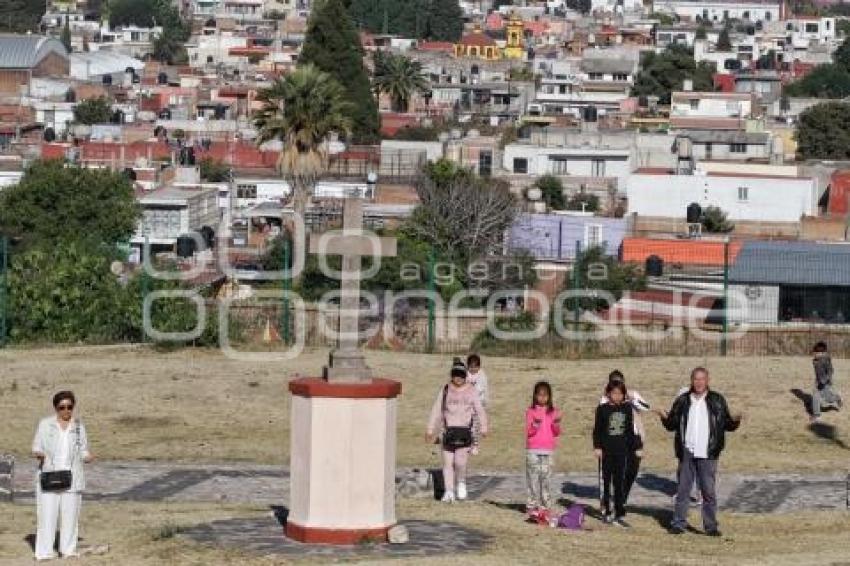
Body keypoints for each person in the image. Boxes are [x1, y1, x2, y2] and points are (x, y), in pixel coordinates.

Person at [656, 367, 742, 536]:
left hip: (708, 452)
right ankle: (678, 523)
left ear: (707, 380)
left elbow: (727, 424)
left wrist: (736, 421)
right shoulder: (682, 400)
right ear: (691, 380)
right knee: (683, 490)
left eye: (702, 379)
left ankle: (710, 527)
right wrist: (662, 416)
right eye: (696, 379)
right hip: (687, 450)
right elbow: (672, 425)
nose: (699, 382)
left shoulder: (717, 400)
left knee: (708, 491)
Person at [31, 391, 94, 560]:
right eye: (62, 407)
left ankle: (68, 550)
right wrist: (39, 454)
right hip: (49, 476)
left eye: (69, 407)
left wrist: (87, 456)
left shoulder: (79, 427)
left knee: (70, 516)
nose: (66, 411)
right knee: (47, 516)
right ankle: (44, 552)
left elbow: (83, 450)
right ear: (56, 408)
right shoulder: (45, 424)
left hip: (72, 478)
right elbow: (37, 446)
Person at [427, 358, 488, 503]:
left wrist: (484, 427)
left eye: (461, 375)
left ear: (465, 376)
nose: (458, 378)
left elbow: (480, 409)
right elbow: (437, 409)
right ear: (452, 375)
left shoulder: (472, 391)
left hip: (464, 432)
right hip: (447, 432)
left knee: (460, 462)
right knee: (447, 464)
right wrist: (430, 430)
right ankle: (449, 491)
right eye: (455, 374)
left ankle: (461, 481)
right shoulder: (445, 389)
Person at [593, 381, 641, 527]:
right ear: (608, 394)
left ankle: (619, 511)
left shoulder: (627, 408)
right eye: (614, 393)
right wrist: (597, 447)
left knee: (619, 483)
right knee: (606, 482)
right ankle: (606, 511)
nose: (617, 396)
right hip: (607, 451)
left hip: (622, 451)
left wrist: (637, 447)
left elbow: (630, 430)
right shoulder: (602, 409)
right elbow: (597, 430)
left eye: (620, 393)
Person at [599, 370, 650, 503]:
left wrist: (631, 398)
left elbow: (647, 407)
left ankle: (622, 497)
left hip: (634, 438)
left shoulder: (632, 394)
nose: (617, 385)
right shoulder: (605, 399)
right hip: (615, 440)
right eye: (613, 383)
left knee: (632, 471)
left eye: (620, 382)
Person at [525, 381, 562, 516]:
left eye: (545, 395)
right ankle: (532, 505)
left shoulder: (554, 412)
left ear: (549, 396)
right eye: (539, 395)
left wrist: (556, 424)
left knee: (546, 478)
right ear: (535, 396)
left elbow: (557, 432)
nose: (542, 398)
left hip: (548, 450)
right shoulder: (530, 411)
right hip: (533, 450)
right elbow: (529, 432)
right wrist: (535, 425)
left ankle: (545, 505)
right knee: (533, 478)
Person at [812, 341, 842, 423]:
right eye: (814, 352)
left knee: (829, 399)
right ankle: (817, 416)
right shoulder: (815, 361)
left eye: (816, 352)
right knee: (816, 396)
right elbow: (818, 373)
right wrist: (817, 381)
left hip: (826, 383)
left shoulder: (826, 360)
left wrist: (824, 380)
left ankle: (837, 398)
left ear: (823, 353)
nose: (814, 354)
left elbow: (831, 371)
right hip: (818, 383)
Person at [466, 354, 489, 455]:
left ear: (479, 367)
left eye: (475, 366)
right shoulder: (466, 374)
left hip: (478, 405)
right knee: (467, 426)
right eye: (471, 366)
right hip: (467, 405)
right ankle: (468, 444)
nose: (473, 368)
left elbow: (480, 389)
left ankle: (475, 445)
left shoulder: (482, 375)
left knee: (475, 426)